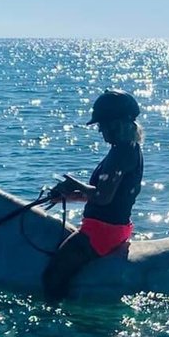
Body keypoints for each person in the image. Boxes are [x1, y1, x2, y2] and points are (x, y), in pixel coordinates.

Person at [41, 89, 144, 301]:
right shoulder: (128, 149)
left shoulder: (120, 153)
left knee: (52, 276)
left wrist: (72, 183)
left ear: (116, 123)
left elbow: (102, 197)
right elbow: (102, 196)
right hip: (114, 228)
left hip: (102, 232)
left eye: (102, 125)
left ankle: (51, 325)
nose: (100, 131)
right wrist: (65, 197)